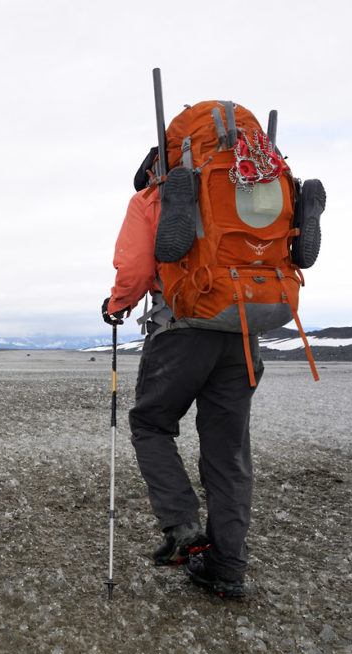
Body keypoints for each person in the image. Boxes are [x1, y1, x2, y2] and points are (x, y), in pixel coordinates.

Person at [102, 183, 260, 600]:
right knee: (228, 452)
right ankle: (226, 568)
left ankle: (182, 526)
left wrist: (117, 305)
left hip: (182, 325)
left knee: (151, 424)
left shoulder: (155, 196)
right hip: (242, 330)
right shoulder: (251, 187)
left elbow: (136, 267)